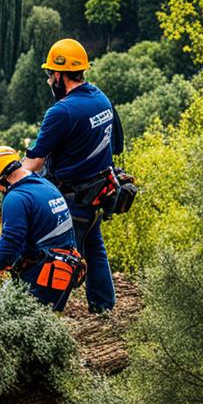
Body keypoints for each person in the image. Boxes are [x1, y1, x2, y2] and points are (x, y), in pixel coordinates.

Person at [20, 38, 122, 313]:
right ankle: (104, 307)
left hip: (73, 197)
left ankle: (45, 315)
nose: (50, 80)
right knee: (94, 245)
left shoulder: (61, 111)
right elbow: (117, 144)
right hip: (101, 189)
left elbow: (34, 161)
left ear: (59, 75)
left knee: (62, 258)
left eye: (50, 74)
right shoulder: (101, 99)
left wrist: (9, 177)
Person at [0, 146, 82, 310]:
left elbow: (6, 253)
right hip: (64, 268)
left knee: (10, 326)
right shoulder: (44, 184)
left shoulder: (16, 198)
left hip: (45, 275)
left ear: (2, 179)